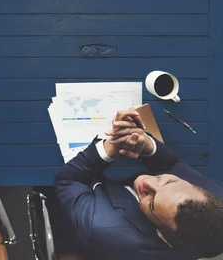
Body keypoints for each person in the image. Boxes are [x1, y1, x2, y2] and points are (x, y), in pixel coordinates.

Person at [53, 108, 223, 260]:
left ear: (162, 236)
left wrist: (111, 145)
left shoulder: (102, 225)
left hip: (76, 212)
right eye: (169, 181)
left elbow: (67, 180)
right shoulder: (215, 199)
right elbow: (173, 166)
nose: (146, 182)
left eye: (152, 203)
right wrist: (147, 145)